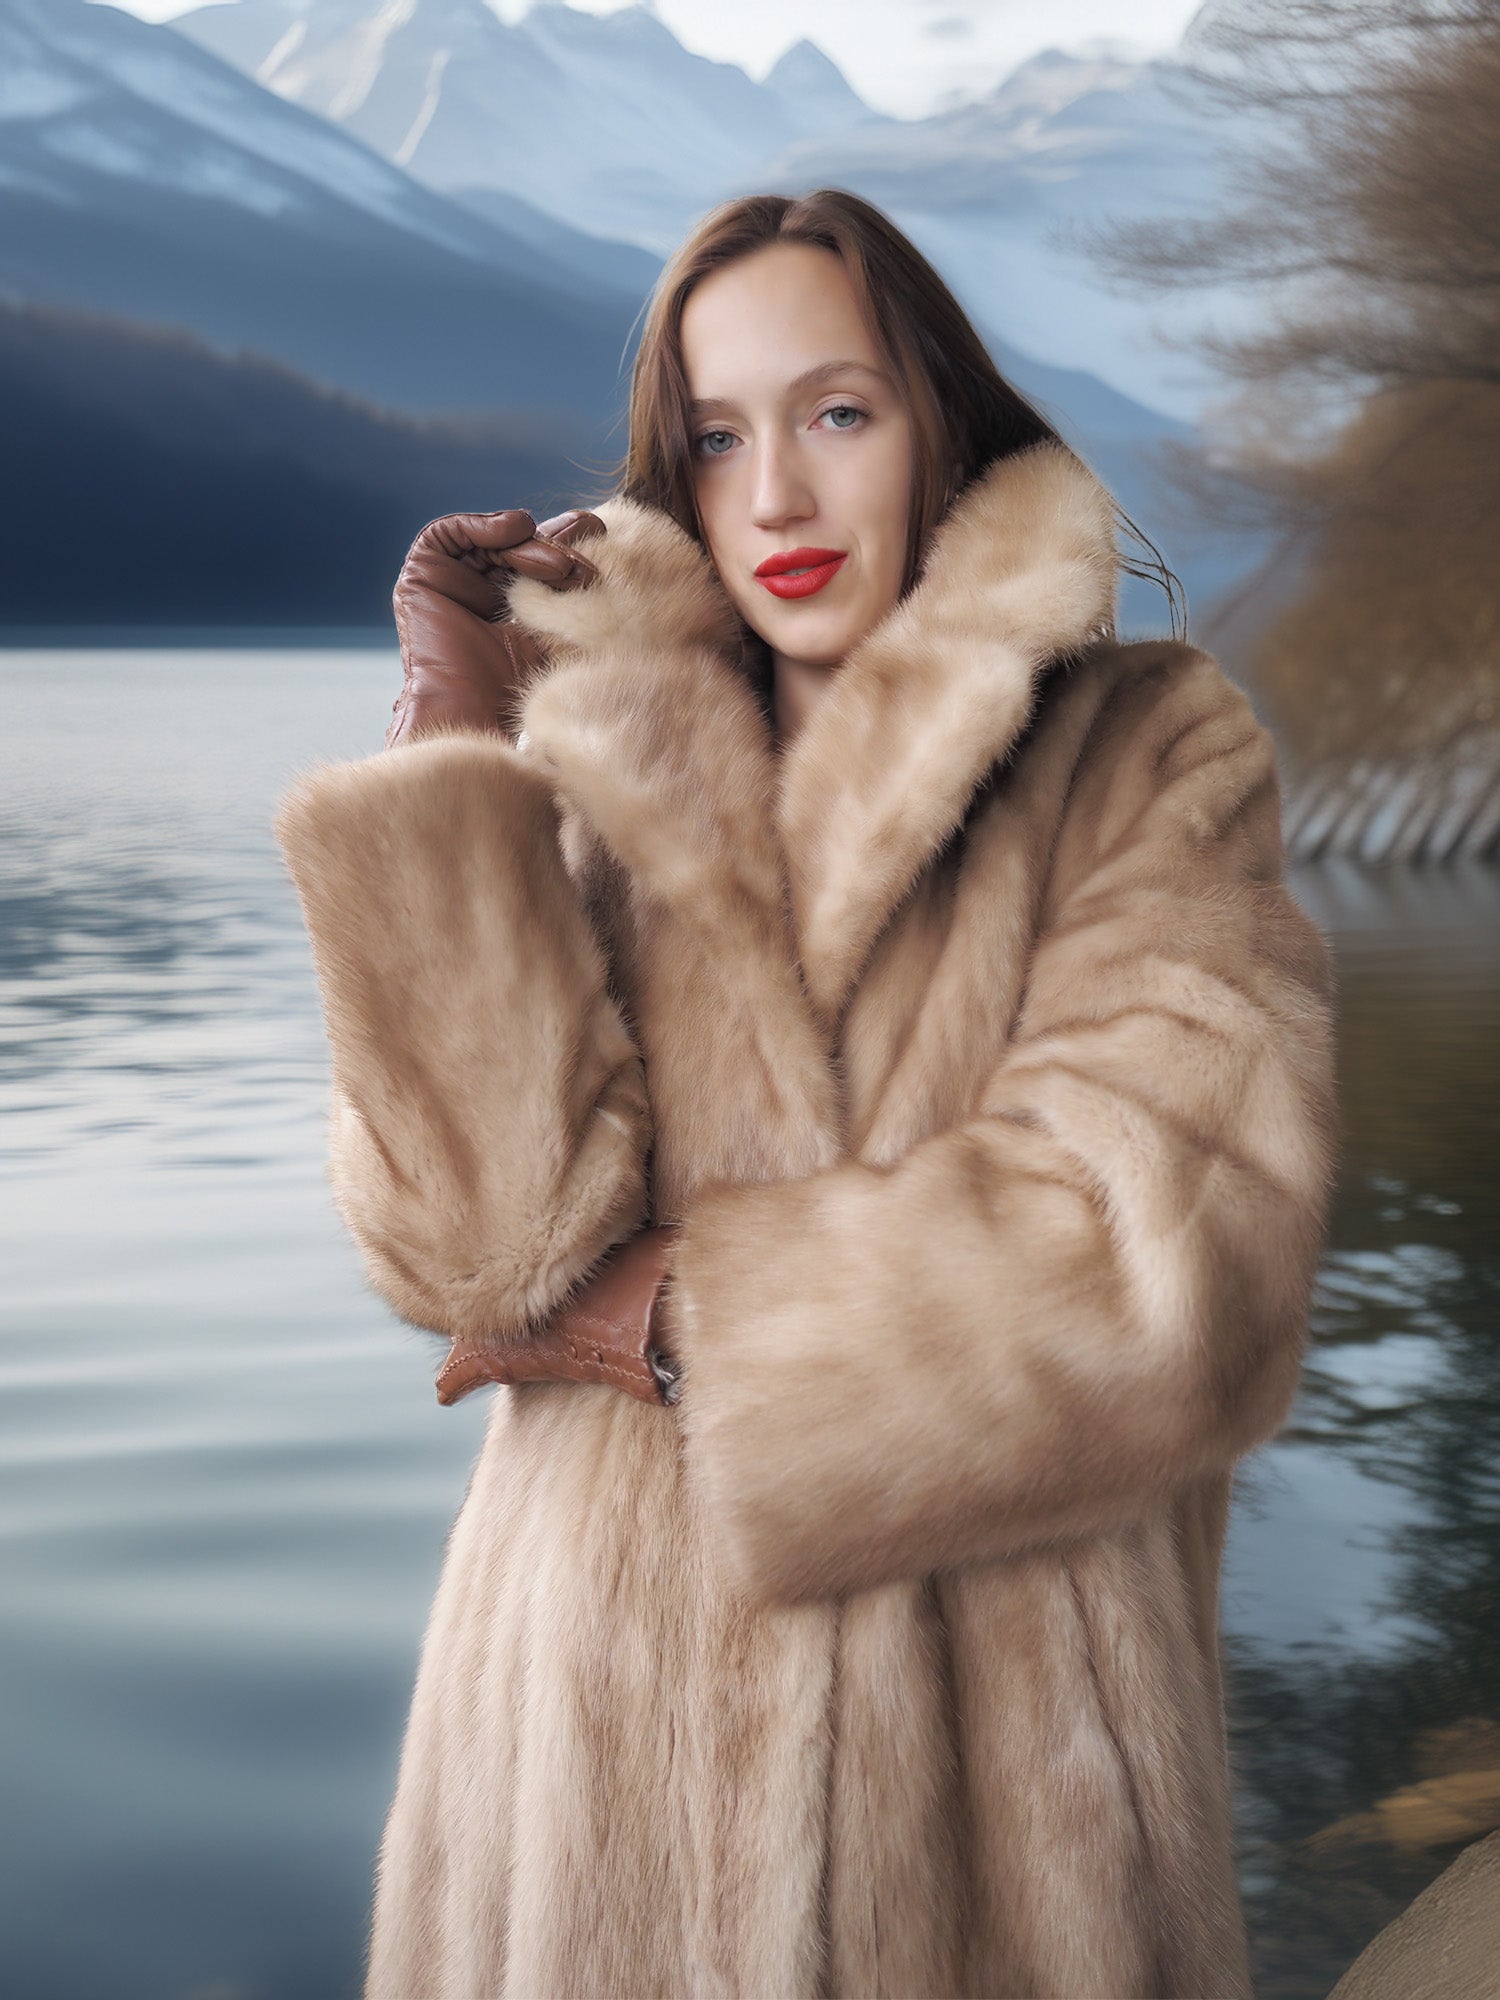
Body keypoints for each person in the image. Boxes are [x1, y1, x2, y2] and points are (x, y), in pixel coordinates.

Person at [273, 189, 1339, 1999]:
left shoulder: (1144, 751)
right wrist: (452, 746)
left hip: (1001, 1833)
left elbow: (1169, 1255)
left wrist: (666, 1309)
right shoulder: (598, 765)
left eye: (836, 413)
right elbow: (465, 1247)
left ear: (938, 422)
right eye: (717, 434)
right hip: (572, 1804)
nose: (774, 492)